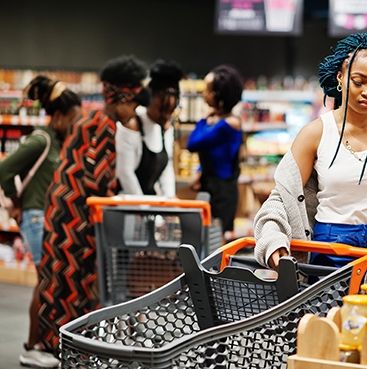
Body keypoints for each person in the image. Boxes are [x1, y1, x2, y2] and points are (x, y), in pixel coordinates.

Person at [253, 32, 367, 286]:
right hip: (328, 252)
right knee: (328, 321)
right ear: (341, 78)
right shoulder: (315, 133)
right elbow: (281, 198)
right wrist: (272, 241)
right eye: (359, 81)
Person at [37, 55, 148, 358]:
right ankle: (70, 350)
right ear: (123, 97)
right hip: (75, 223)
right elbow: (97, 183)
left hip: (61, 216)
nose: (135, 109)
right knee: (75, 285)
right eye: (134, 102)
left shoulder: (87, 119)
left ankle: (57, 346)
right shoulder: (104, 125)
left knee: (58, 284)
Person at [0, 76, 81, 369]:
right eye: (72, 118)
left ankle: (42, 343)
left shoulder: (60, 141)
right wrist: (16, 204)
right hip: (35, 217)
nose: (76, 124)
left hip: (48, 218)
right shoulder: (41, 138)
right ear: (58, 115)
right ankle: (31, 346)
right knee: (45, 282)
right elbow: (4, 169)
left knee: (48, 282)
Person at [187, 64, 244, 237]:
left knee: (217, 236)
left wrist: (203, 120)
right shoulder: (219, 121)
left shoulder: (228, 124)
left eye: (208, 91)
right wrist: (199, 171)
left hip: (222, 191)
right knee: (207, 235)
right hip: (211, 185)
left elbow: (193, 143)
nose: (204, 94)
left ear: (219, 95)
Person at [116, 59, 184, 196]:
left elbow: (166, 168)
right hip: (127, 203)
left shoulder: (165, 128)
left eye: (170, 111)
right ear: (149, 98)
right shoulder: (133, 125)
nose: (166, 117)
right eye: (162, 110)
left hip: (151, 204)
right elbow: (125, 173)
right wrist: (144, 207)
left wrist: (169, 201)